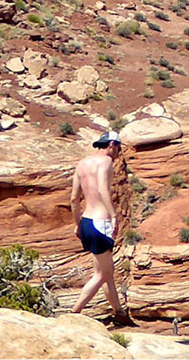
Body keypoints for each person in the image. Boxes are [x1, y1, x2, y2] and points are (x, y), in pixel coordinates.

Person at [69, 131, 128, 320]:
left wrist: (78, 224)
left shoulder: (82, 164)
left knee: (106, 272)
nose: (119, 151)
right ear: (112, 144)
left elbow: (73, 199)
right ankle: (73, 313)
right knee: (102, 274)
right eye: (119, 147)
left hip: (86, 221)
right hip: (100, 222)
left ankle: (119, 313)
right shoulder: (106, 162)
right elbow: (103, 189)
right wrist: (113, 216)